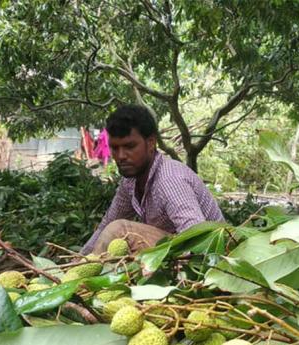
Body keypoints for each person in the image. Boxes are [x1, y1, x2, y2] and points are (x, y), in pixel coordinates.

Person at [81, 105, 224, 255]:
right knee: (112, 230)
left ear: (150, 143)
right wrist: (79, 260)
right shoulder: (130, 181)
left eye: (130, 146)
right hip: (174, 251)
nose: (121, 156)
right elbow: (107, 224)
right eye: (115, 148)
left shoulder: (170, 179)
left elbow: (201, 239)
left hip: (211, 255)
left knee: (120, 231)